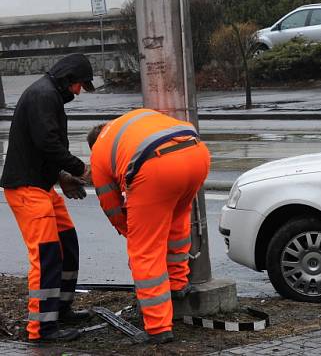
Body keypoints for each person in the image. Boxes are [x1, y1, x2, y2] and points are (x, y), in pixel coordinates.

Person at [87, 109, 210, 344]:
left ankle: (158, 327)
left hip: (157, 166)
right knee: (177, 222)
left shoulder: (99, 152)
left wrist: (132, 232)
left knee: (145, 250)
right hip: (197, 155)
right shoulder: (129, 123)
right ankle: (177, 284)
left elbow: (111, 206)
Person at [1, 54, 95, 342]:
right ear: (68, 79)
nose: (79, 91)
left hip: (42, 186)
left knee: (67, 243)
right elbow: (47, 143)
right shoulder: (44, 95)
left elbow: (41, 146)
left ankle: (60, 310)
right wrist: (80, 169)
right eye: (79, 84)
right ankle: (41, 329)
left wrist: (61, 178)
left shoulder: (48, 94)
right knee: (47, 256)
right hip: (28, 189)